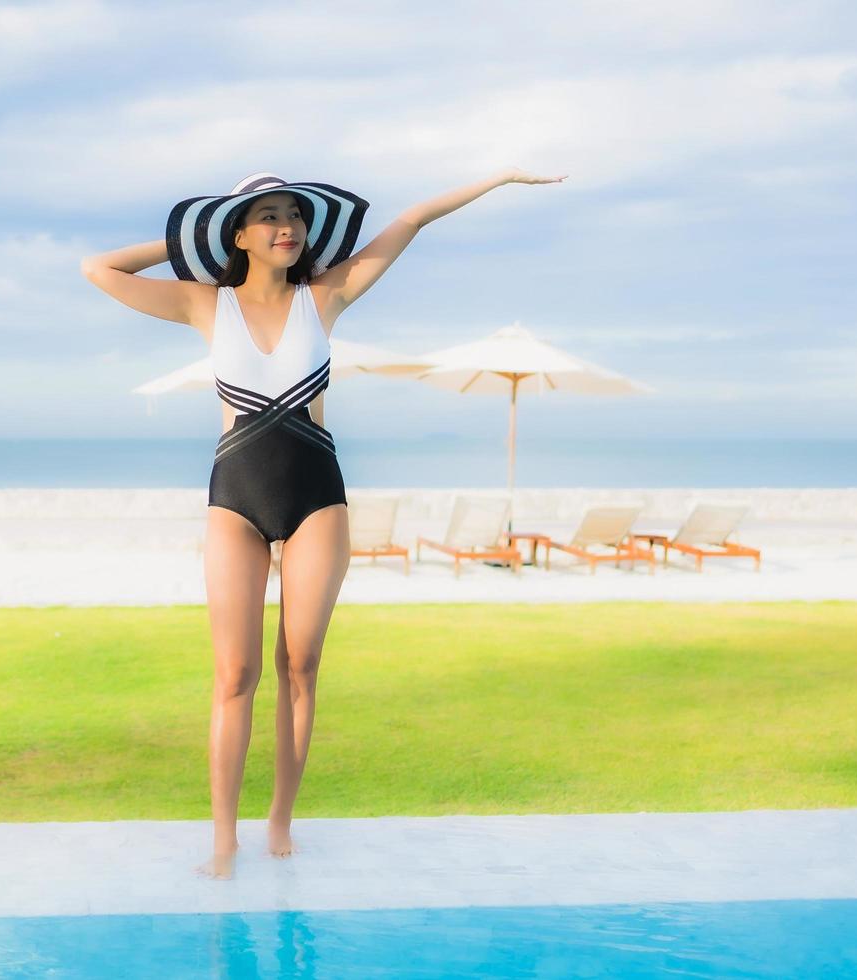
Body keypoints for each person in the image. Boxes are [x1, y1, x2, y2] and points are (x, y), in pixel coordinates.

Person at [81, 167, 567, 879]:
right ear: (240, 232)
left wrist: (495, 180)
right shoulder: (202, 303)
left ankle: (280, 816)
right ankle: (223, 837)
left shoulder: (325, 295)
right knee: (234, 673)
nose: (287, 227)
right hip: (235, 500)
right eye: (267, 216)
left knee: (300, 667)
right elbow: (99, 268)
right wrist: (197, 238)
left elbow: (414, 220)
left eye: (295, 217)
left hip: (317, 499)